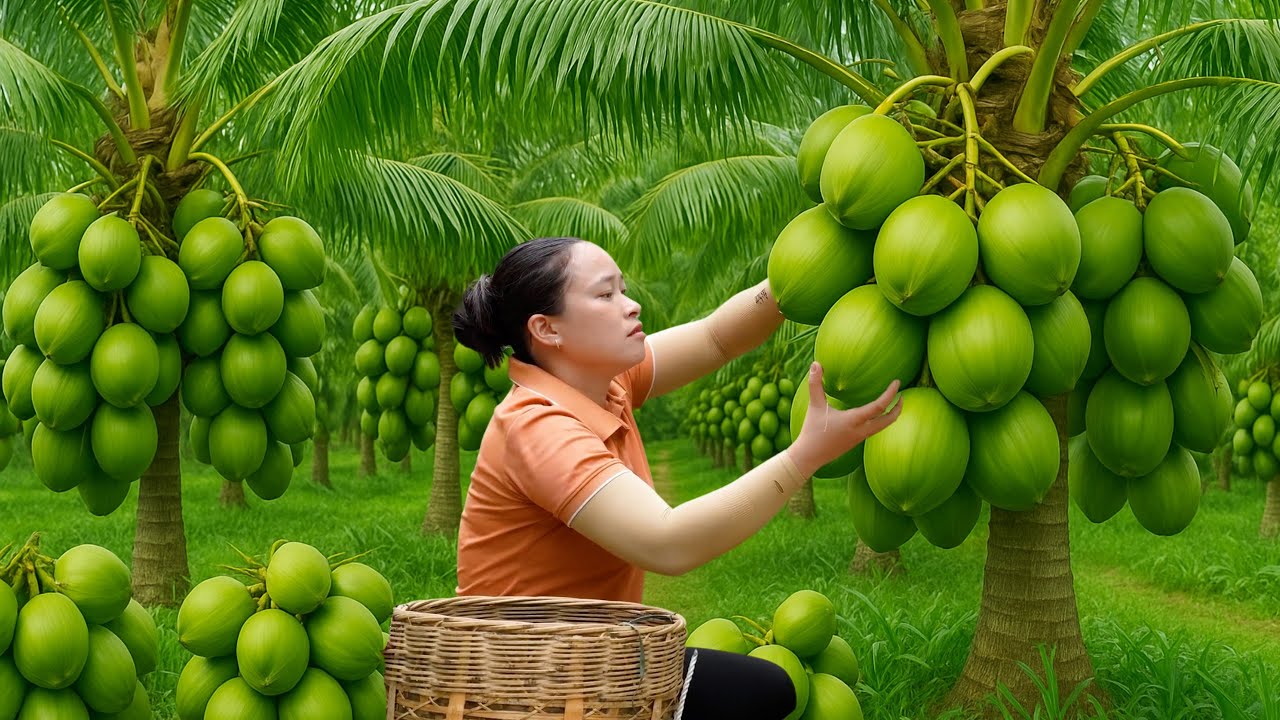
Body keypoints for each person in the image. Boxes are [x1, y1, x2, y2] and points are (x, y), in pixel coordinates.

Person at [452, 236, 902, 720]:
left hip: (590, 658)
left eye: (624, 290)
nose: (631, 305)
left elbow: (716, 339)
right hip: (523, 684)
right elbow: (668, 543)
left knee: (766, 688)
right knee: (762, 691)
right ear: (547, 329)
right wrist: (804, 456)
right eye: (605, 294)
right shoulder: (537, 427)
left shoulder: (603, 384)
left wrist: (809, 271)